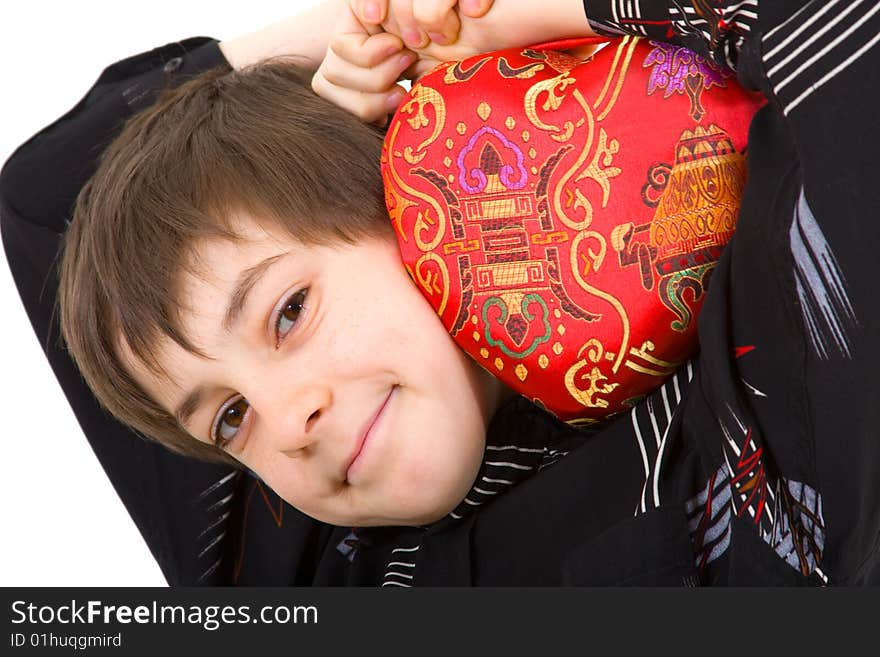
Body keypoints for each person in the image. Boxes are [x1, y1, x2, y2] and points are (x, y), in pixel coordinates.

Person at [4, 0, 880, 586]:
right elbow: (44, 204)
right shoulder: (299, 566)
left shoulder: (769, 352)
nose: (287, 420)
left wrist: (447, 31)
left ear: (407, 200)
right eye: (227, 419)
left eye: (289, 312)